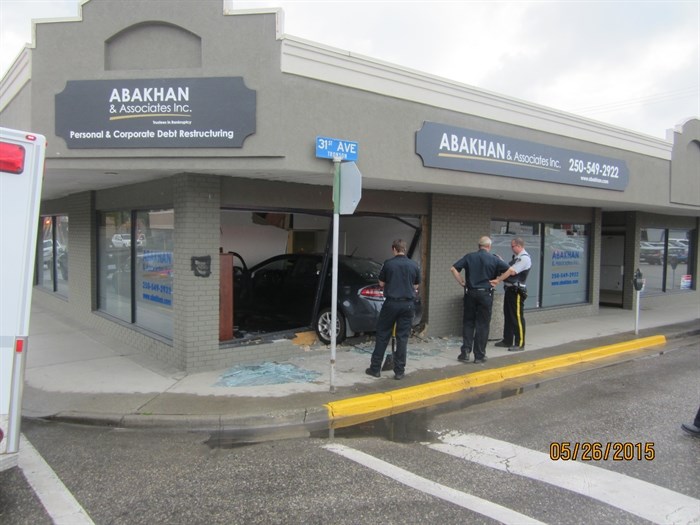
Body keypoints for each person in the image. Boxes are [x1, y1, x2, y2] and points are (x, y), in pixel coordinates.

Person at [366, 239, 421, 380]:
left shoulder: (388, 264)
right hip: (408, 305)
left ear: (394, 249)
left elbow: (381, 283)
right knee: (402, 338)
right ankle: (399, 371)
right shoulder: (414, 265)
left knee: (383, 335)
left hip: (391, 303)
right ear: (405, 249)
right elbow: (416, 286)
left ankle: (375, 368)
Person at [450, 236, 510, 364]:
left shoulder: (469, 257)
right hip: (486, 294)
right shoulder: (494, 259)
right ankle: (479, 355)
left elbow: (453, 268)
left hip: (470, 293)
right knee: (482, 325)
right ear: (489, 247)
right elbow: (510, 270)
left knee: (468, 322)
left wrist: (461, 281)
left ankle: (465, 352)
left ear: (479, 246)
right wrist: (498, 280)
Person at [491, 237, 531, 352]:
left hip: (517, 291)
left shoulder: (524, 259)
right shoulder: (517, 258)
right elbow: (508, 268)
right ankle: (507, 340)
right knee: (508, 316)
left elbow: (511, 271)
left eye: (512, 246)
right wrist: (502, 261)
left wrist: (497, 280)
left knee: (517, 317)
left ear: (519, 246)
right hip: (509, 290)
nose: (511, 248)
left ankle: (520, 343)